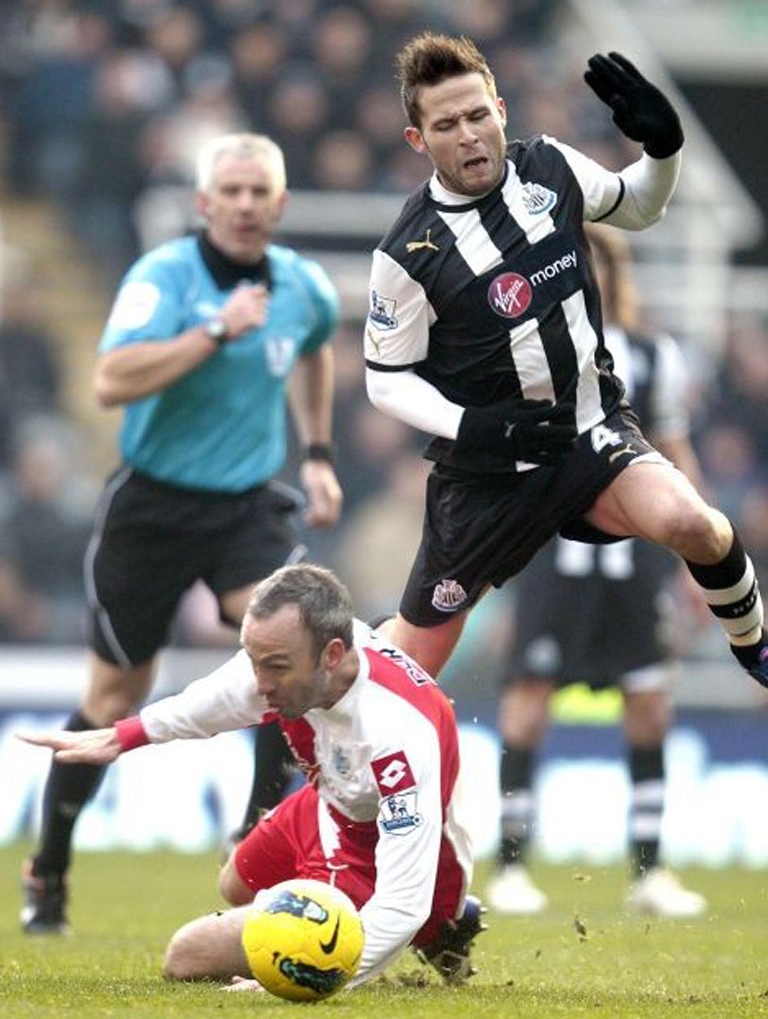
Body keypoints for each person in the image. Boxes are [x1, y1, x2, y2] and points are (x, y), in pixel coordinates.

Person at [364, 35, 768, 695]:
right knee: (408, 669)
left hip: (588, 434)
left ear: (499, 109)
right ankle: (314, 732)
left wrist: (663, 151)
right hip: (489, 475)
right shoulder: (409, 251)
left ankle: (757, 648)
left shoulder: (549, 167)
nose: (467, 136)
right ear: (418, 139)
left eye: (476, 116)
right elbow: (385, 379)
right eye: (445, 125)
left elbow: (637, 205)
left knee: (696, 524)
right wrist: (478, 429)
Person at [21, 132, 343, 936]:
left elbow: (314, 354)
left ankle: (257, 840)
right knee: (112, 697)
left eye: (257, 192)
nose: (243, 205)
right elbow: (107, 380)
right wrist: (215, 334)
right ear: (204, 204)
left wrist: (318, 455)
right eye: (228, 192)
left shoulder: (303, 287)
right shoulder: (163, 277)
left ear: (280, 204)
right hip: (152, 508)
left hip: (245, 505)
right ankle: (50, 862)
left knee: (288, 650)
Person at [20, 563, 485, 989]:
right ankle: (428, 921)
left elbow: (403, 901)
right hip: (331, 806)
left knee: (188, 955)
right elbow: (218, 698)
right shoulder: (297, 656)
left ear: (332, 654)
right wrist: (125, 736)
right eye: (254, 660)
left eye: (274, 667)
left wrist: (302, 976)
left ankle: (441, 926)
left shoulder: (397, 734)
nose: (259, 683)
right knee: (235, 882)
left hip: (376, 857)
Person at [488, 224, 707, 917]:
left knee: (649, 703)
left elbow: (673, 454)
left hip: (632, 561)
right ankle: (511, 866)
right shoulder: (532, 352)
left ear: (614, 276)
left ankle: (649, 872)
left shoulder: (652, 356)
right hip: (556, 551)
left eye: (599, 267)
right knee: (528, 699)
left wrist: (703, 555)